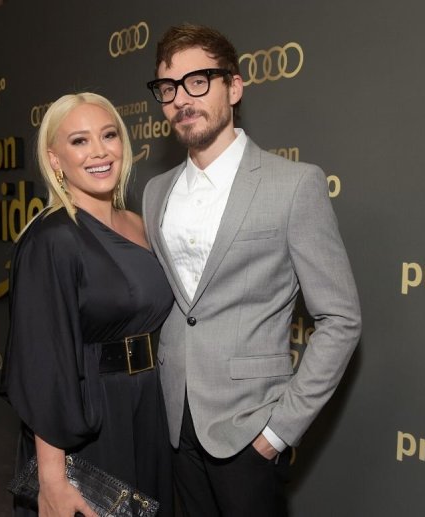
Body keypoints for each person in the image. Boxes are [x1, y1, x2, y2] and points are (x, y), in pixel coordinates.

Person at [142, 24, 362, 516]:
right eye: (169, 88)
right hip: (175, 418)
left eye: (199, 81)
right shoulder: (156, 192)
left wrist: (280, 430)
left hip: (250, 427)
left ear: (234, 87)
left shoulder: (294, 185)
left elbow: (341, 319)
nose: (182, 99)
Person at [0, 92, 174, 517]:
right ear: (55, 159)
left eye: (108, 135)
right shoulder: (52, 239)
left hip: (151, 406)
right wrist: (52, 478)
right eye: (79, 141)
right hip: (94, 416)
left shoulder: (143, 224)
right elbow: (43, 365)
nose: (99, 151)